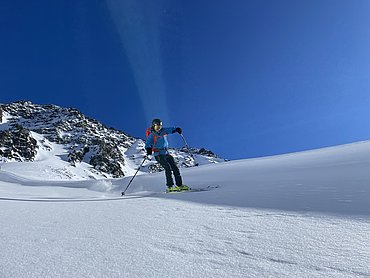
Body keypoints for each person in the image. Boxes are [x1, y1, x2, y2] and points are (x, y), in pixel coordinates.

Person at [145, 118, 189, 192]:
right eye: (157, 127)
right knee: (167, 168)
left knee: (175, 168)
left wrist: (176, 129)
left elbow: (170, 129)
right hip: (158, 154)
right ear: (153, 126)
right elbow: (148, 143)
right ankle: (170, 186)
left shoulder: (163, 131)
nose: (158, 128)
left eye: (160, 126)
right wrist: (148, 149)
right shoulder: (152, 135)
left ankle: (180, 185)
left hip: (166, 153)